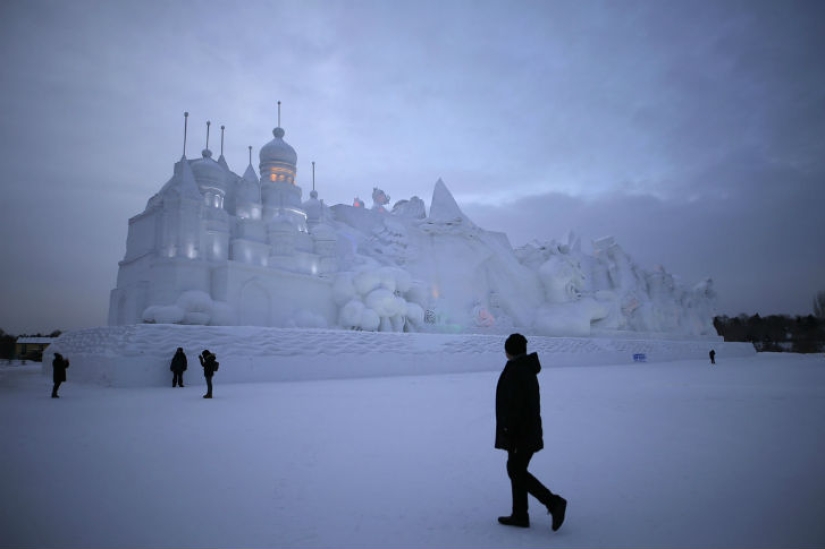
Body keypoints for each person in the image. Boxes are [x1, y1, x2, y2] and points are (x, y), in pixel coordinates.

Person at [495, 333, 566, 531]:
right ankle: (519, 514)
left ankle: (553, 503)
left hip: (521, 433)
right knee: (516, 470)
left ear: (510, 350)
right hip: (523, 431)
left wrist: (510, 430)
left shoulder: (519, 371)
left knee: (515, 470)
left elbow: (516, 406)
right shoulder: (522, 368)